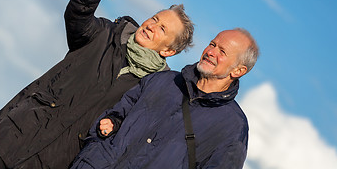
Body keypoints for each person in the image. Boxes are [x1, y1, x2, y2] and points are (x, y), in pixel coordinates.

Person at [0, 0, 194, 169]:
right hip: (18, 133)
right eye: (155, 18)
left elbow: (128, 127)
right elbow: (78, 23)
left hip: (57, 159)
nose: (151, 26)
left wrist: (114, 124)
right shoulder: (108, 33)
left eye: (162, 29)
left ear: (168, 51)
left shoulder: (153, 88)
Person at [71, 28, 259, 169]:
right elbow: (118, 112)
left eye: (222, 52)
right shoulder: (163, 80)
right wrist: (108, 127)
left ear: (238, 70)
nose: (211, 52)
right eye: (212, 44)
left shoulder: (233, 126)